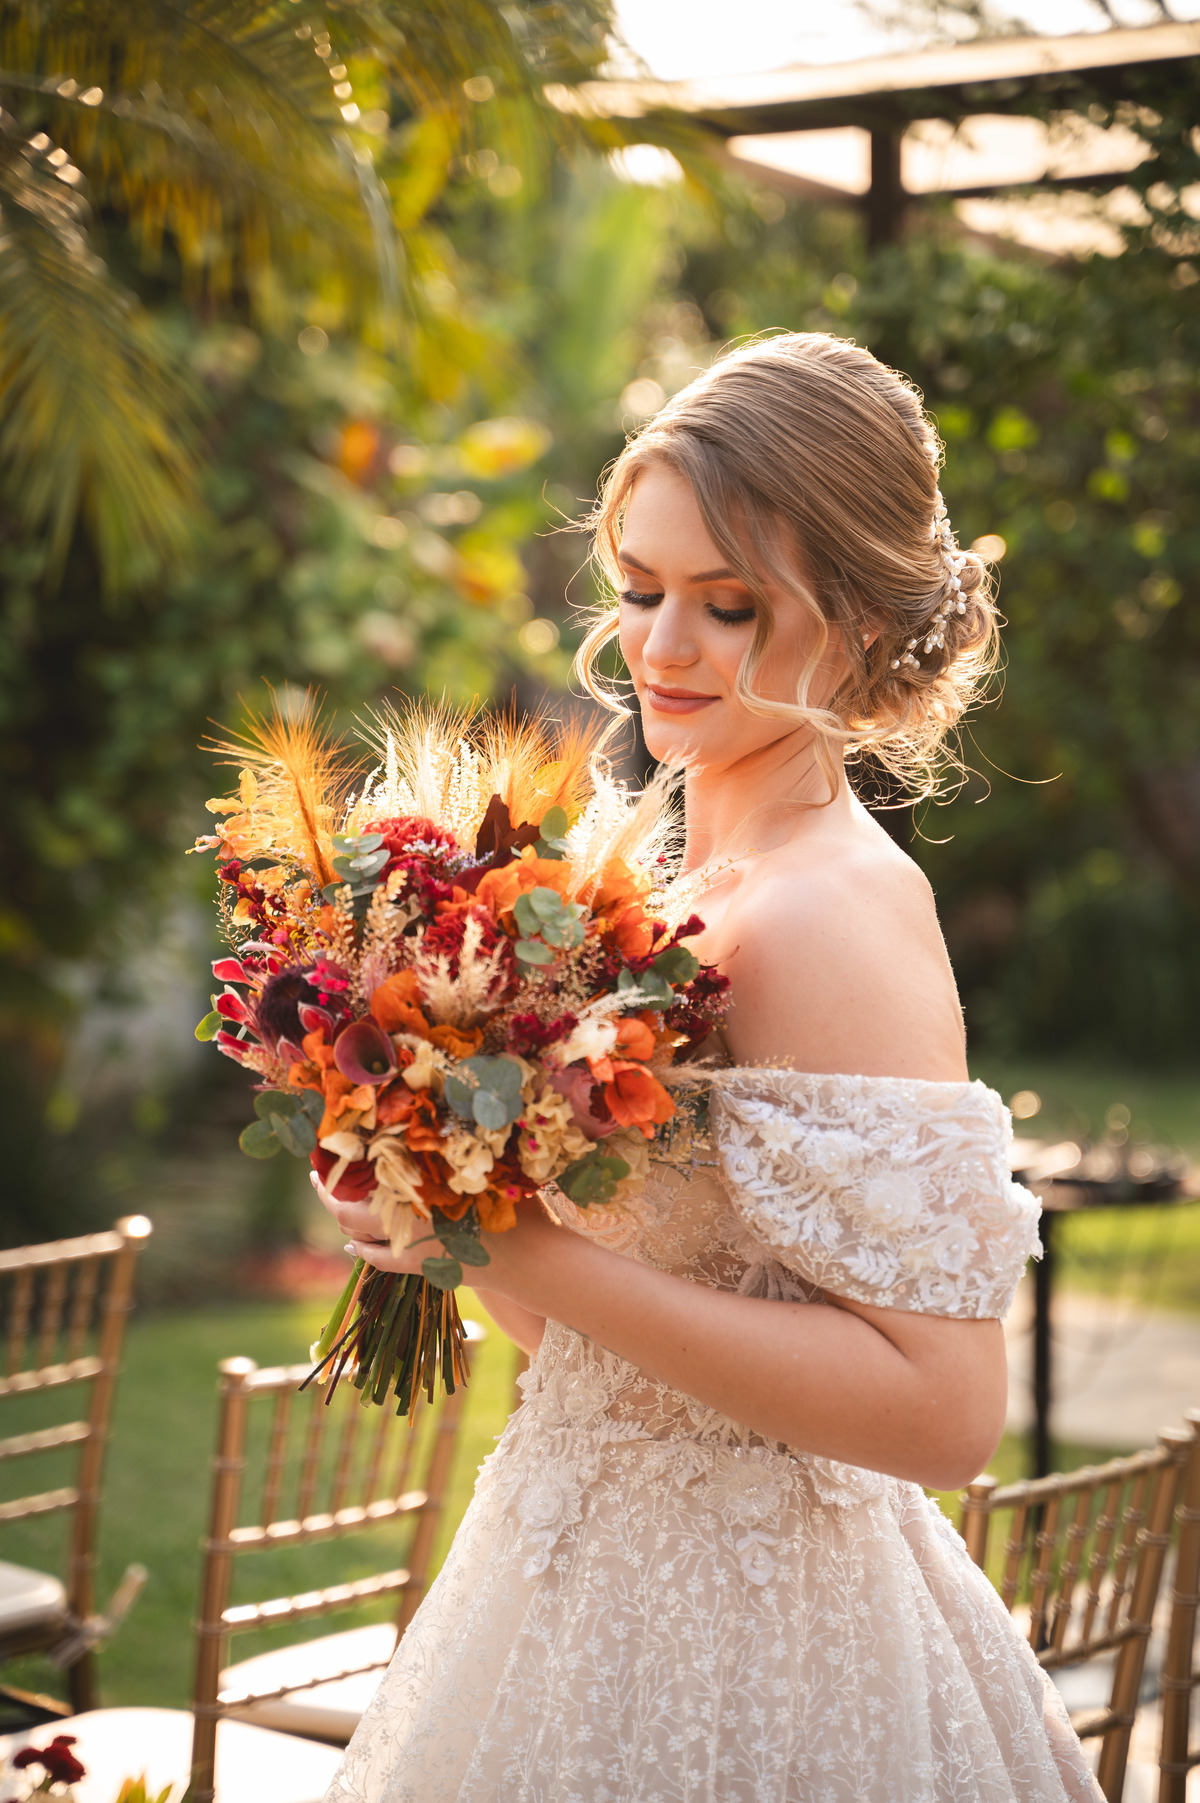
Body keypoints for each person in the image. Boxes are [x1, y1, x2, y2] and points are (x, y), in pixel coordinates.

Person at [319, 334, 1102, 1802]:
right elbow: (617, 1350)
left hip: (766, 1644)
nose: (659, 648)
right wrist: (435, 1197)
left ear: (861, 625)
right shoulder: (669, 890)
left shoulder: (830, 910)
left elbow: (942, 1412)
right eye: (640, 589)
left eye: (727, 606)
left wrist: (520, 1244)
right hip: (573, 1576)